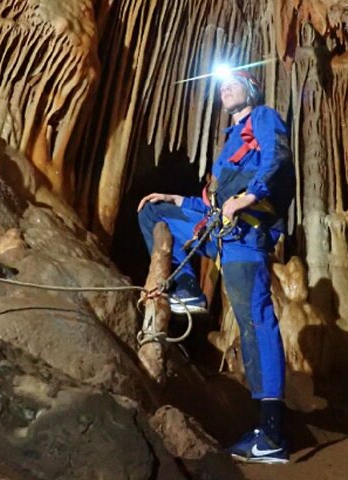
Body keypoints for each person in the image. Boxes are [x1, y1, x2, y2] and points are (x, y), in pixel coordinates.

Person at [137, 69, 295, 464]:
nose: (224, 88)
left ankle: (271, 433)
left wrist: (249, 198)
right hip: (221, 233)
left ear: (251, 91)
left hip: (246, 237)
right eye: (220, 84)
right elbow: (214, 205)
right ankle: (188, 291)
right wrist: (177, 198)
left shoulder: (262, 119)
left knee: (256, 324)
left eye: (233, 82)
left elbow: (277, 157)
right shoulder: (228, 145)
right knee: (154, 212)